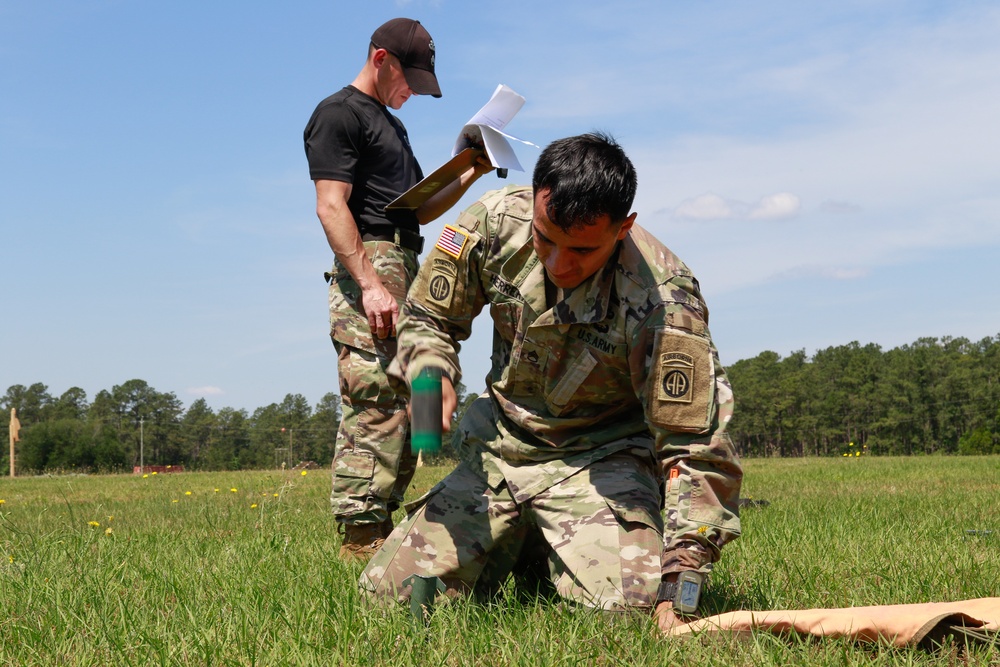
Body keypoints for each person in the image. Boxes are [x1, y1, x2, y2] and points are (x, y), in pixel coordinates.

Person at [360, 133, 743, 630]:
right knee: (389, 600)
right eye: (545, 238)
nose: (559, 264)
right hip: (503, 452)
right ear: (534, 198)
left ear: (623, 228)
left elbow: (696, 448)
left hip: (601, 459)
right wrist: (430, 366)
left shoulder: (663, 301)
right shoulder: (494, 223)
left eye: (582, 250)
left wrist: (680, 584)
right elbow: (428, 316)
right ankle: (530, 541)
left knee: (630, 613)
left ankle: (548, 542)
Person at [303, 18, 493, 561]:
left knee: (417, 399)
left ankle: (390, 517)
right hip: (371, 262)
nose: (412, 92)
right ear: (380, 58)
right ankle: (360, 538)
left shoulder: (388, 123)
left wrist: (473, 170)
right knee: (374, 399)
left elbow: (417, 210)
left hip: (404, 255)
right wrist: (368, 284)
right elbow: (331, 205)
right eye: (408, 79)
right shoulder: (338, 113)